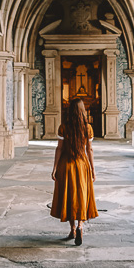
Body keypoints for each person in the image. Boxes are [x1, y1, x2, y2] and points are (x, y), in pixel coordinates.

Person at [50, 98, 98, 245]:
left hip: (66, 165)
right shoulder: (87, 128)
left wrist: (55, 167)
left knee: (69, 196)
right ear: (82, 111)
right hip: (82, 165)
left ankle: (72, 229)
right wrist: (93, 169)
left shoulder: (63, 127)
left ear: (69, 110)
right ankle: (80, 226)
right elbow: (89, 150)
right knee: (82, 196)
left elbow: (59, 148)